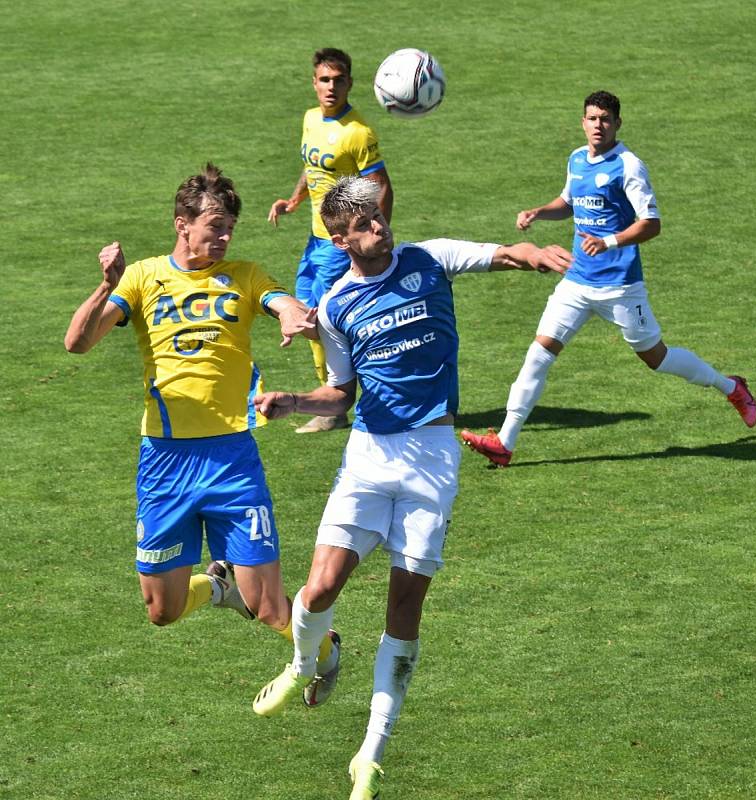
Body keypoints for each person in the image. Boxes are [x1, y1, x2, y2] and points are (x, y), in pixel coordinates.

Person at [251, 176, 572, 799]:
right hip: (369, 457)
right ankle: (301, 664)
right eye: (365, 225)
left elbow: (496, 253)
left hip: (432, 459)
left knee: (404, 609)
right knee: (319, 588)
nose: (380, 227)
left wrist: (529, 253)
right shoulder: (340, 304)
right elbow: (341, 393)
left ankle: (370, 753)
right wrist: (293, 400)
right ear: (341, 239)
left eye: (378, 217)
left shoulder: (427, 258)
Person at [64, 163, 339, 700]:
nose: (224, 237)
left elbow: (281, 300)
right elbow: (77, 343)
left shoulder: (244, 274)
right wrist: (106, 286)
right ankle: (216, 587)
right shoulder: (142, 277)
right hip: (164, 464)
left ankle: (327, 650)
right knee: (161, 612)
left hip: (233, 459)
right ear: (181, 224)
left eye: (230, 227)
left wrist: (288, 315)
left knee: (268, 607)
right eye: (215, 226)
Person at [461, 90, 756, 467]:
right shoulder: (576, 159)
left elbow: (651, 225)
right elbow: (568, 203)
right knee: (539, 354)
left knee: (657, 358)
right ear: (582, 122)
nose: (597, 125)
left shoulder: (629, 165)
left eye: (605, 119)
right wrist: (538, 211)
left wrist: (609, 241)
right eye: (591, 118)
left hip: (621, 287)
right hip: (576, 282)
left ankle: (731, 387)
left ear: (617, 123)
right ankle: (504, 442)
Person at [268, 47, 394, 434]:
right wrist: (294, 199)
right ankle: (334, 398)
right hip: (316, 237)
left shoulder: (358, 132)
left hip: (340, 244)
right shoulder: (310, 119)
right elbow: (313, 167)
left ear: (350, 83)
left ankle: (336, 404)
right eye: (324, 79)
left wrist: (377, 236)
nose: (331, 87)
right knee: (306, 310)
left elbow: (381, 185)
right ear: (314, 82)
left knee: (321, 318)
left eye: (339, 80)